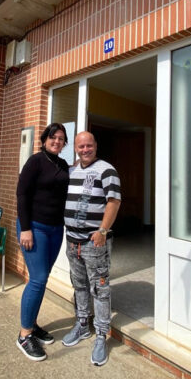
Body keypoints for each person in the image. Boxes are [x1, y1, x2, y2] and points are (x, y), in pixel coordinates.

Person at [62, 131, 121, 366]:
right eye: (80, 146)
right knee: (79, 285)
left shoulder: (107, 170)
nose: (85, 149)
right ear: (75, 148)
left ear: (95, 145)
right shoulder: (70, 171)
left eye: (89, 145)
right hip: (72, 241)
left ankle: (101, 335)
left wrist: (103, 231)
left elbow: (114, 201)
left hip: (94, 242)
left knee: (100, 289)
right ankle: (83, 324)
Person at [15, 123, 70, 361]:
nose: (57, 141)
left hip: (56, 229)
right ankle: (24, 335)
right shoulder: (35, 161)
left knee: (42, 278)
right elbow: (22, 194)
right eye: (53, 137)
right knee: (37, 279)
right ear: (45, 139)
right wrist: (25, 228)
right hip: (34, 228)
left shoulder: (63, 164)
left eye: (61, 139)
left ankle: (33, 324)